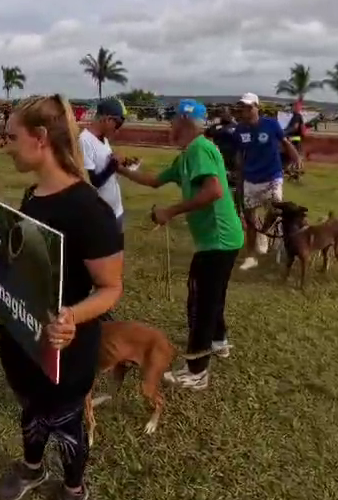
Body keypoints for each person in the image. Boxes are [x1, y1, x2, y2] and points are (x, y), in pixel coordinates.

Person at [0, 94, 123, 500]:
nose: (6, 144)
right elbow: (28, 260)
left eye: (12, 136)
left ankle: (73, 488)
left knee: (65, 423)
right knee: (30, 407)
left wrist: (72, 317)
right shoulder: (32, 196)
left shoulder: (89, 210)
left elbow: (111, 289)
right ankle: (31, 468)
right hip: (23, 335)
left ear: (41, 137)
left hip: (67, 347)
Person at [117, 99, 243, 389]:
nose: (170, 126)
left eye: (173, 120)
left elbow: (214, 190)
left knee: (200, 302)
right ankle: (218, 341)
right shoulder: (187, 156)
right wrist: (121, 170)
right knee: (211, 295)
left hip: (219, 240)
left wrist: (169, 212)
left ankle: (197, 371)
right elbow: (154, 181)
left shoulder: (200, 148)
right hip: (219, 240)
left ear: (185, 122)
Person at [233, 92, 300, 271]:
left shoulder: (270, 124)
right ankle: (251, 256)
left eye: (249, 107)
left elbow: (285, 142)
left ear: (257, 108)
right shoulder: (240, 129)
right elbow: (240, 154)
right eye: (243, 107)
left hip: (272, 176)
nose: (245, 111)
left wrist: (296, 158)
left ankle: (265, 230)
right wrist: (239, 175)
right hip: (250, 178)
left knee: (276, 207)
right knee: (249, 218)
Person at [79, 98, 127, 240]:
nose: (117, 130)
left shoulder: (103, 139)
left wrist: (118, 163)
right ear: (107, 119)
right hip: (101, 214)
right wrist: (113, 164)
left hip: (116, 209)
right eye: (117, 124)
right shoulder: (84, 141)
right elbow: (93, 182)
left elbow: (105, 169)